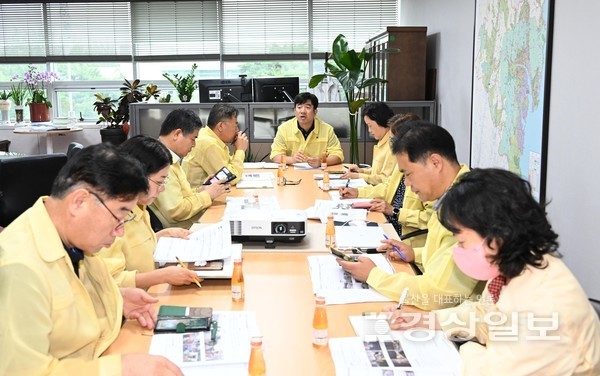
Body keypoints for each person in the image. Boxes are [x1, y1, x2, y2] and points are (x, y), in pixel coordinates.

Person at [387, 168, 600, 375]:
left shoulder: (544, 305)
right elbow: (484, 315)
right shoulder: (515, 263)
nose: (457, 250)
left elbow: (493, 370)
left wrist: (465, 348)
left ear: (496, 235)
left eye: (461, 241)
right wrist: (425, 320)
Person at [0, 144, 182, 375]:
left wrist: (117, 300)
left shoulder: (74, 242)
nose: (120, 232)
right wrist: (119, 369)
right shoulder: (19, 269)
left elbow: (68, 306)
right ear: (79, 202)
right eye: (119, 217)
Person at [338, 121, 484, 310]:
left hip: (455, 318)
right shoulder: (453, 194)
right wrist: (414, 253)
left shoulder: (465, 209)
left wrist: (373, 275)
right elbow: (443, 254)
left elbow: (435, 294)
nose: (406, 183)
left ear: (435, 162)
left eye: (409, 174)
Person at [98, 136, 199, 289]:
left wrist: (162, 235)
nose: (162, 189)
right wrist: (163, 276)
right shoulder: (111, 217)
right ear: (136, 176)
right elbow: (110, 281)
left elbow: (135, 249)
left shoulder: (139, 206)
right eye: (159, 182)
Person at [339, 113, 431, 245]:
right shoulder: (405, 162)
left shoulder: (427, 173)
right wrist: (358, 192)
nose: (391, 145)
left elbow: (431, 218)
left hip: (404, 238)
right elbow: (387, 187)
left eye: (393, 141)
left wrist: (394, 211)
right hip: (387, 225)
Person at [150, 108, 228, 229]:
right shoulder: (161, 163)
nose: (194, 145)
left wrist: (201, 190)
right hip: (183, 230)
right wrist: (207, 195)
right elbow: (176, 211)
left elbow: (181, 196)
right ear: (177, 134)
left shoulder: (171, 158)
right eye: (193, 139)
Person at [270, 92, 344, 167]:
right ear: (295, 111)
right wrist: (292, 159)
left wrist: (321, 162)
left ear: (315, 112)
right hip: (292, 174)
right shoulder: (284, 129)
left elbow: (337, 155)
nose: (302, 111)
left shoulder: (327, 130)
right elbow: (276, 156)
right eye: (299, 107)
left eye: (307, 107)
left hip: (318, 173)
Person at [183, 103, 248, 186]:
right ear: (220, 126)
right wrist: (240, 150)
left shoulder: (209, 135)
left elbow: (228, 167)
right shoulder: (209, 144)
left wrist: (236, 150)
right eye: (235, 126)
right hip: (199, 195)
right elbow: (231, 179)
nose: (237, 130)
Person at [340, 102, 395, 185]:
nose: (369, 130)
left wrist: (359, 176)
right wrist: (361, 171)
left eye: (370, 126)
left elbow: (384, 179)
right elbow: (377, 172)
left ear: (380, 121)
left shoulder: (392, 145)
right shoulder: (383, 140)